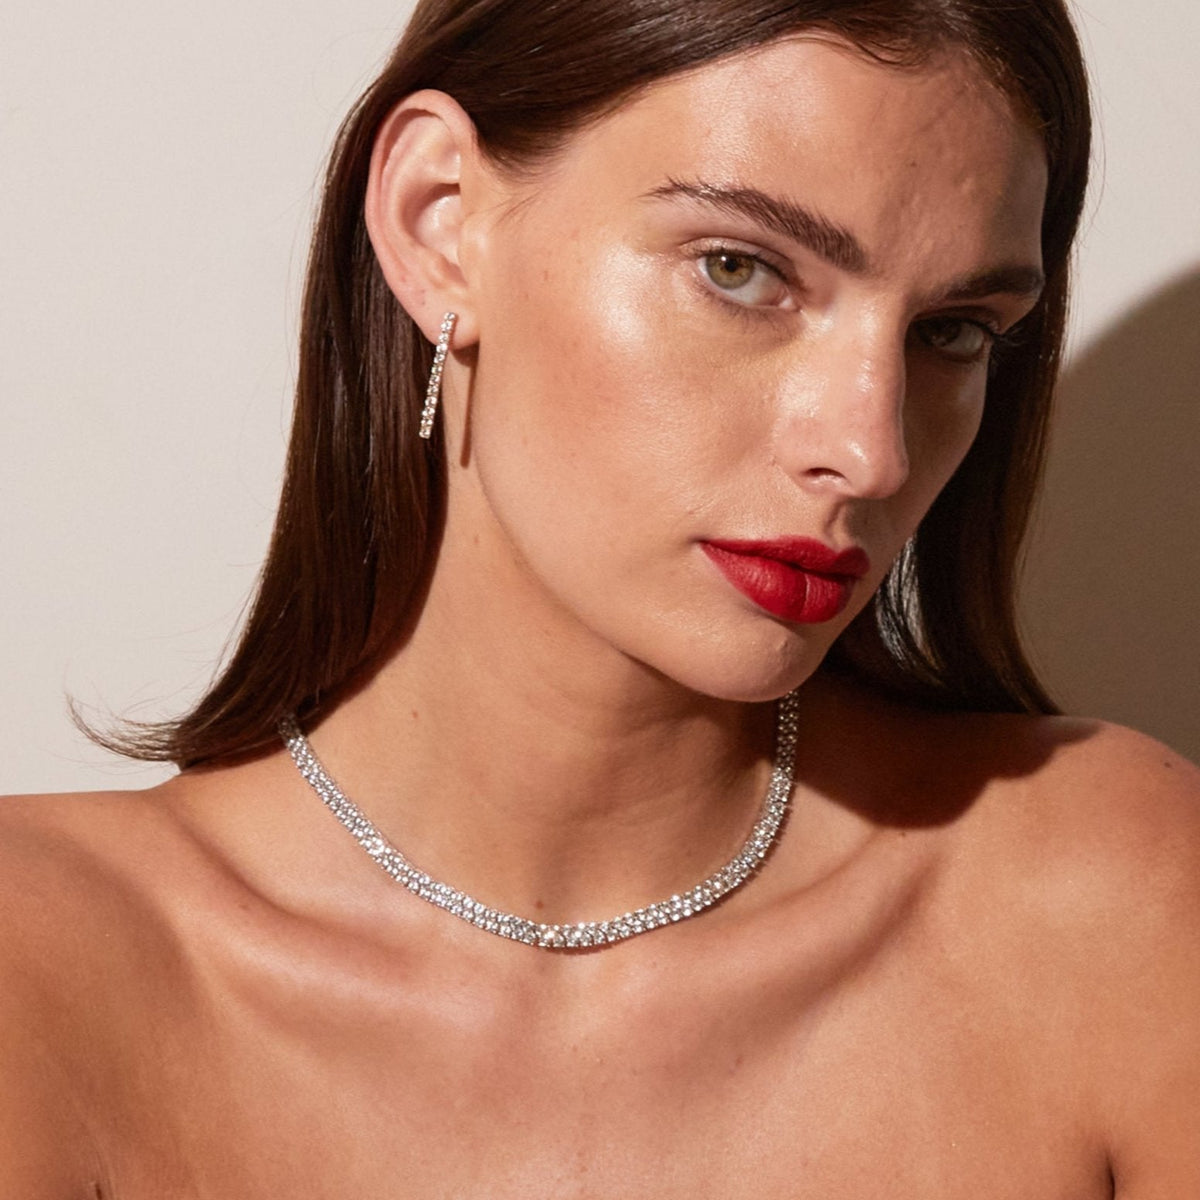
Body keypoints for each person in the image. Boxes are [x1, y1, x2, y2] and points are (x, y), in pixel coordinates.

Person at [2, 0, 1198, 1194]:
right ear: (439, 219)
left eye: (951, 332)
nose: (869, 451)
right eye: (740, 270)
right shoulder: (45, 972)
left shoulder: (1105, 907)